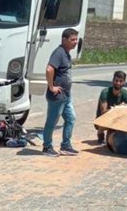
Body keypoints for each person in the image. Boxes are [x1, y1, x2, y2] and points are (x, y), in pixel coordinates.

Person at [41, 28, 79, 157]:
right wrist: (51, 87)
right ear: (64, 40)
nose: (75, 42)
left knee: (71, 118)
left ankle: (65, 146)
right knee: (52, 122)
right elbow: (49, 70)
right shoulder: (59, 53)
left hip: (66, 95)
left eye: (76, 40)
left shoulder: (66, 53)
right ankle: (47, 147)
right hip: (57, 96)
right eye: (72, 40)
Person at [95, 71, 127, 144]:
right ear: (113, 81)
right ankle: (100, 134)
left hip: (117, 118)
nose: (118, 83)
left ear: (124, 82)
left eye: (121, 81)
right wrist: (117, 108)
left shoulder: (126, 95)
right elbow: (103, 112)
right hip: (103, 118)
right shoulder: (105, 92)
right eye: (116, 80)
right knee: (102, 123)